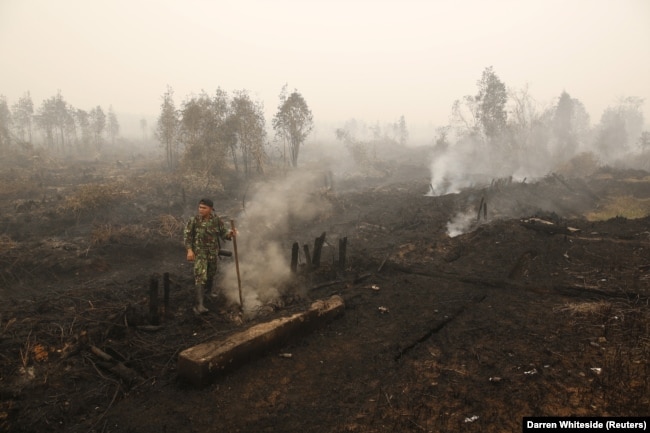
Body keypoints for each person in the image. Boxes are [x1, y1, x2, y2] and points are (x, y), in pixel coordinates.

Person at [183, 198, 235, 315]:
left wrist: (230, 233)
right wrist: (189, 251)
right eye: (200, 207)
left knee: (211, 272)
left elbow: (223, 233)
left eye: (204, 208)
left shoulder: (216, 220)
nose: (201, 210)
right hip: (199, 253)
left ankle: (208, 293)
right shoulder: (194, 220)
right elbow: (187, 237)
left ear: (211, 209)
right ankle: (199, 305)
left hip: (212, 253)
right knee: (200, 275)